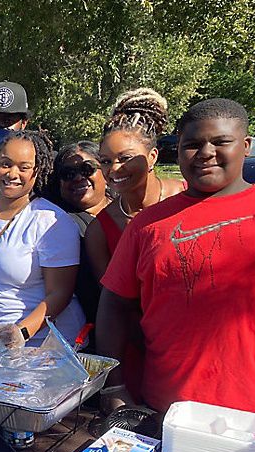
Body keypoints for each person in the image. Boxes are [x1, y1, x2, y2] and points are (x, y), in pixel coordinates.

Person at [98, 98, 255, 422]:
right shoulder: (147, 225)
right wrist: (114, 388)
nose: (206, 153)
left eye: (220, 141)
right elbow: (113, 305)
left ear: (246, 145)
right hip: (166, 414)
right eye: (193, 144)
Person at [84, 88, 185, 400]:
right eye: (106, 161)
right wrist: (114, 386)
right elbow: (114, 305)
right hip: (138, 348)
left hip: (195, 339)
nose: (114, 170)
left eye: (125, 159)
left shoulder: (187, 197)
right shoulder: (100, 230)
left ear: (152, 156)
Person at [0, 130, 84, 345]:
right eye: (6, 164)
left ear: (37, 171)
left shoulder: (52, 222)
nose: (12, 173)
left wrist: (21, 332)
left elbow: (60, 294)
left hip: (42, 344)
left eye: (24, 167)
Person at [45, 141, 112, 322]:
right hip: (98, 323)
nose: (78, 178)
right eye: (68, 174)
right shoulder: (58, 223)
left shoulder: (126, 205)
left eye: (87, 169)